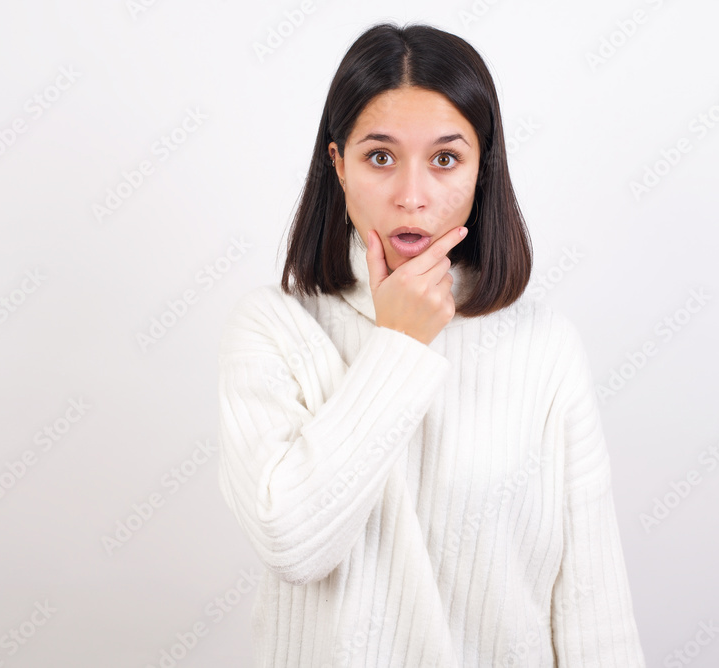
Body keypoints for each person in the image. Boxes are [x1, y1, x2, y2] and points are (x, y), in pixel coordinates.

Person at [216, 21, 646, 667]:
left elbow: (594, 612)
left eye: (445, 159)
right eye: (380, 157)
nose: (412, 197)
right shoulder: (272, 328)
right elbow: (293, 544)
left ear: (482, 169)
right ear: (338, 164)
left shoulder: (545, 346)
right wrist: (398, 344)